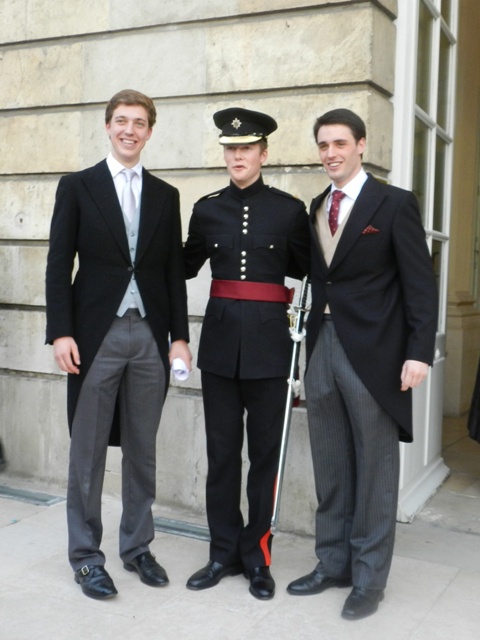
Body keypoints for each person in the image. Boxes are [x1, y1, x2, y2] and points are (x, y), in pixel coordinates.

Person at [286, 108, 438, 620]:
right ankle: (332, 564)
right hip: (321, 348)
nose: (331, 153)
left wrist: (418, 352)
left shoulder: (393, 203)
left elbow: (419, 284)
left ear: (361, 146)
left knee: (374, 471)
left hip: (375, 354)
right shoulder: (316, 205)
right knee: (330, 465)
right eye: (323, 145)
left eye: (340, 144)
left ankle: (369, 579)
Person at [45, 89, 191, 600]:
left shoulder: (166, 195)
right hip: (94, 335)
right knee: (86, 452)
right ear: (107, 127)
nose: (130, 130)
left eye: (140, 123)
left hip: (149, 336)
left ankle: (137, 547)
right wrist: (60, 331)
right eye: (121, 121)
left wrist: (179, 338)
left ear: (150, 131)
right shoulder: (78, 186)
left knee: (142, 450)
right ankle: (86, 557)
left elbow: (173, 271)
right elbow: (59, 263)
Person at [183, 107, 310, 600]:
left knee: (264, 458)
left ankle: (257, 554)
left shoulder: (289, 210)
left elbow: (314, 273)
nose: (237, 155)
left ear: (263, 153)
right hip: (218, 348)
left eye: (246, 148)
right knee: (220, 456)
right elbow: (181, 267)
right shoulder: (206, 207)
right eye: (230, 149)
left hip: (271, 351)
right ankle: (221, 553)